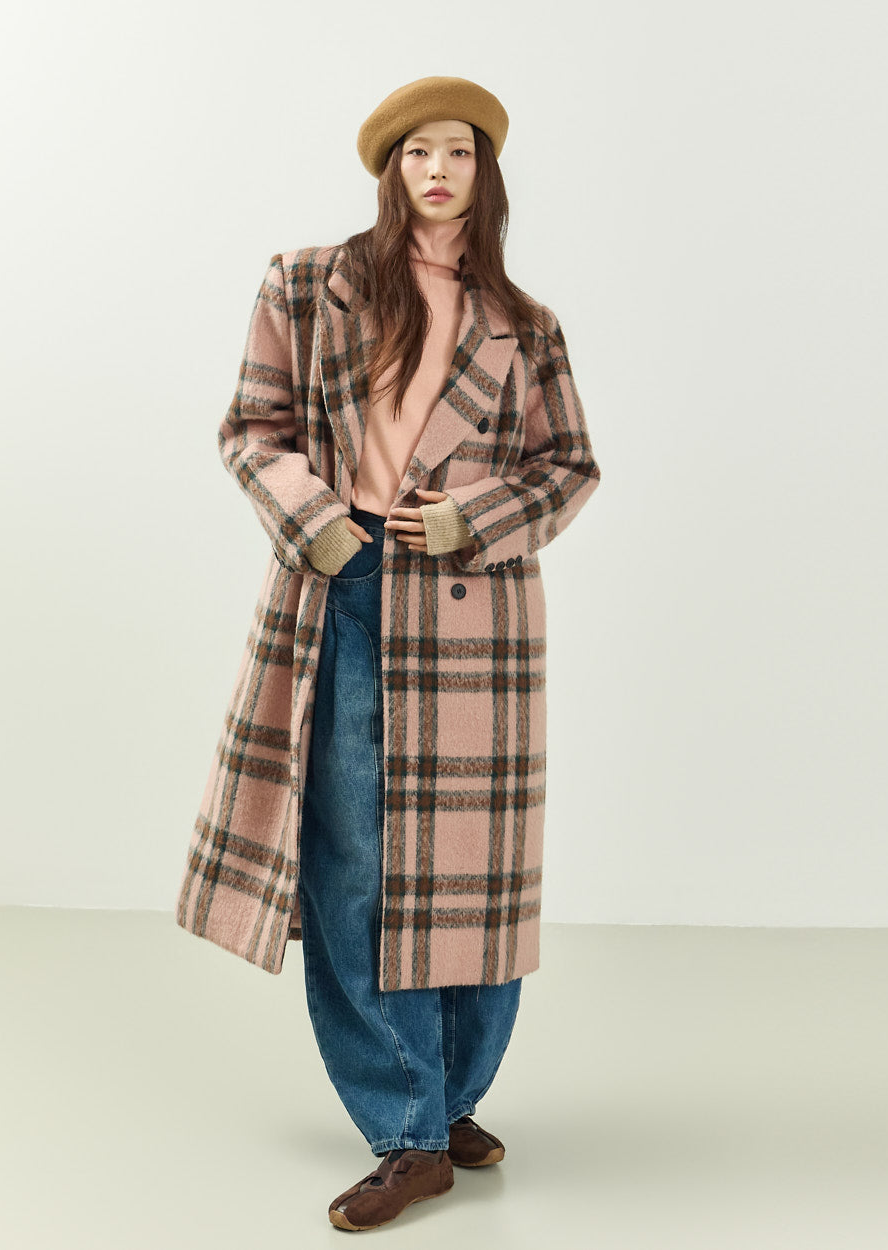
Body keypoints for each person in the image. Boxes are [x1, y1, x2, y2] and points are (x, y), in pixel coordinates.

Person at [174, 74, 602, 1232]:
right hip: (345, 587)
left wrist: (477, 518)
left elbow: (569, 466)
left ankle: (446, 1100)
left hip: (476, 614)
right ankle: (408, 1127)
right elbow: (252, 428)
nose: (437, 170)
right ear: (389, 168)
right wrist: (320, 525)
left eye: (457, 150)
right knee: (358, 869)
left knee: (472, 877)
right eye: (417, 151)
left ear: (484, 171)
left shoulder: (526, 323)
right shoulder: (308, 283)